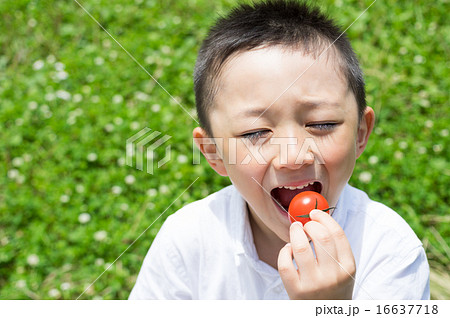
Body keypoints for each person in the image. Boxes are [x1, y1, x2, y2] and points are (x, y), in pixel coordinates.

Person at [129, 0, 429, 299]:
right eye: (255, 132)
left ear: (360, 134)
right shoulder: (186, 242)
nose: (294, 156)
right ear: (214, 152)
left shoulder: (389, 250)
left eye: (322, 124)